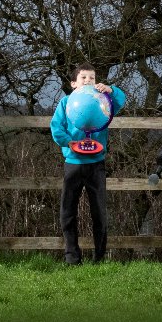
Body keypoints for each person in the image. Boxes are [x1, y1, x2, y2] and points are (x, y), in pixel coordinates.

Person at [50, 63, 126, 265]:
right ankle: (72, 257)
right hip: (73, 163)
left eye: (92, 78)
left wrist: (111, 90)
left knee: (99, 212)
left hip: (96, 164)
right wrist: (68, 143)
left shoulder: (104, 101)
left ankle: (99, 258)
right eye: (83, 78)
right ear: (73, 83)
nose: (88, 81)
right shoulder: (66, 103)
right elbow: (56, 127)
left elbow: (121, 101)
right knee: (68, 212)